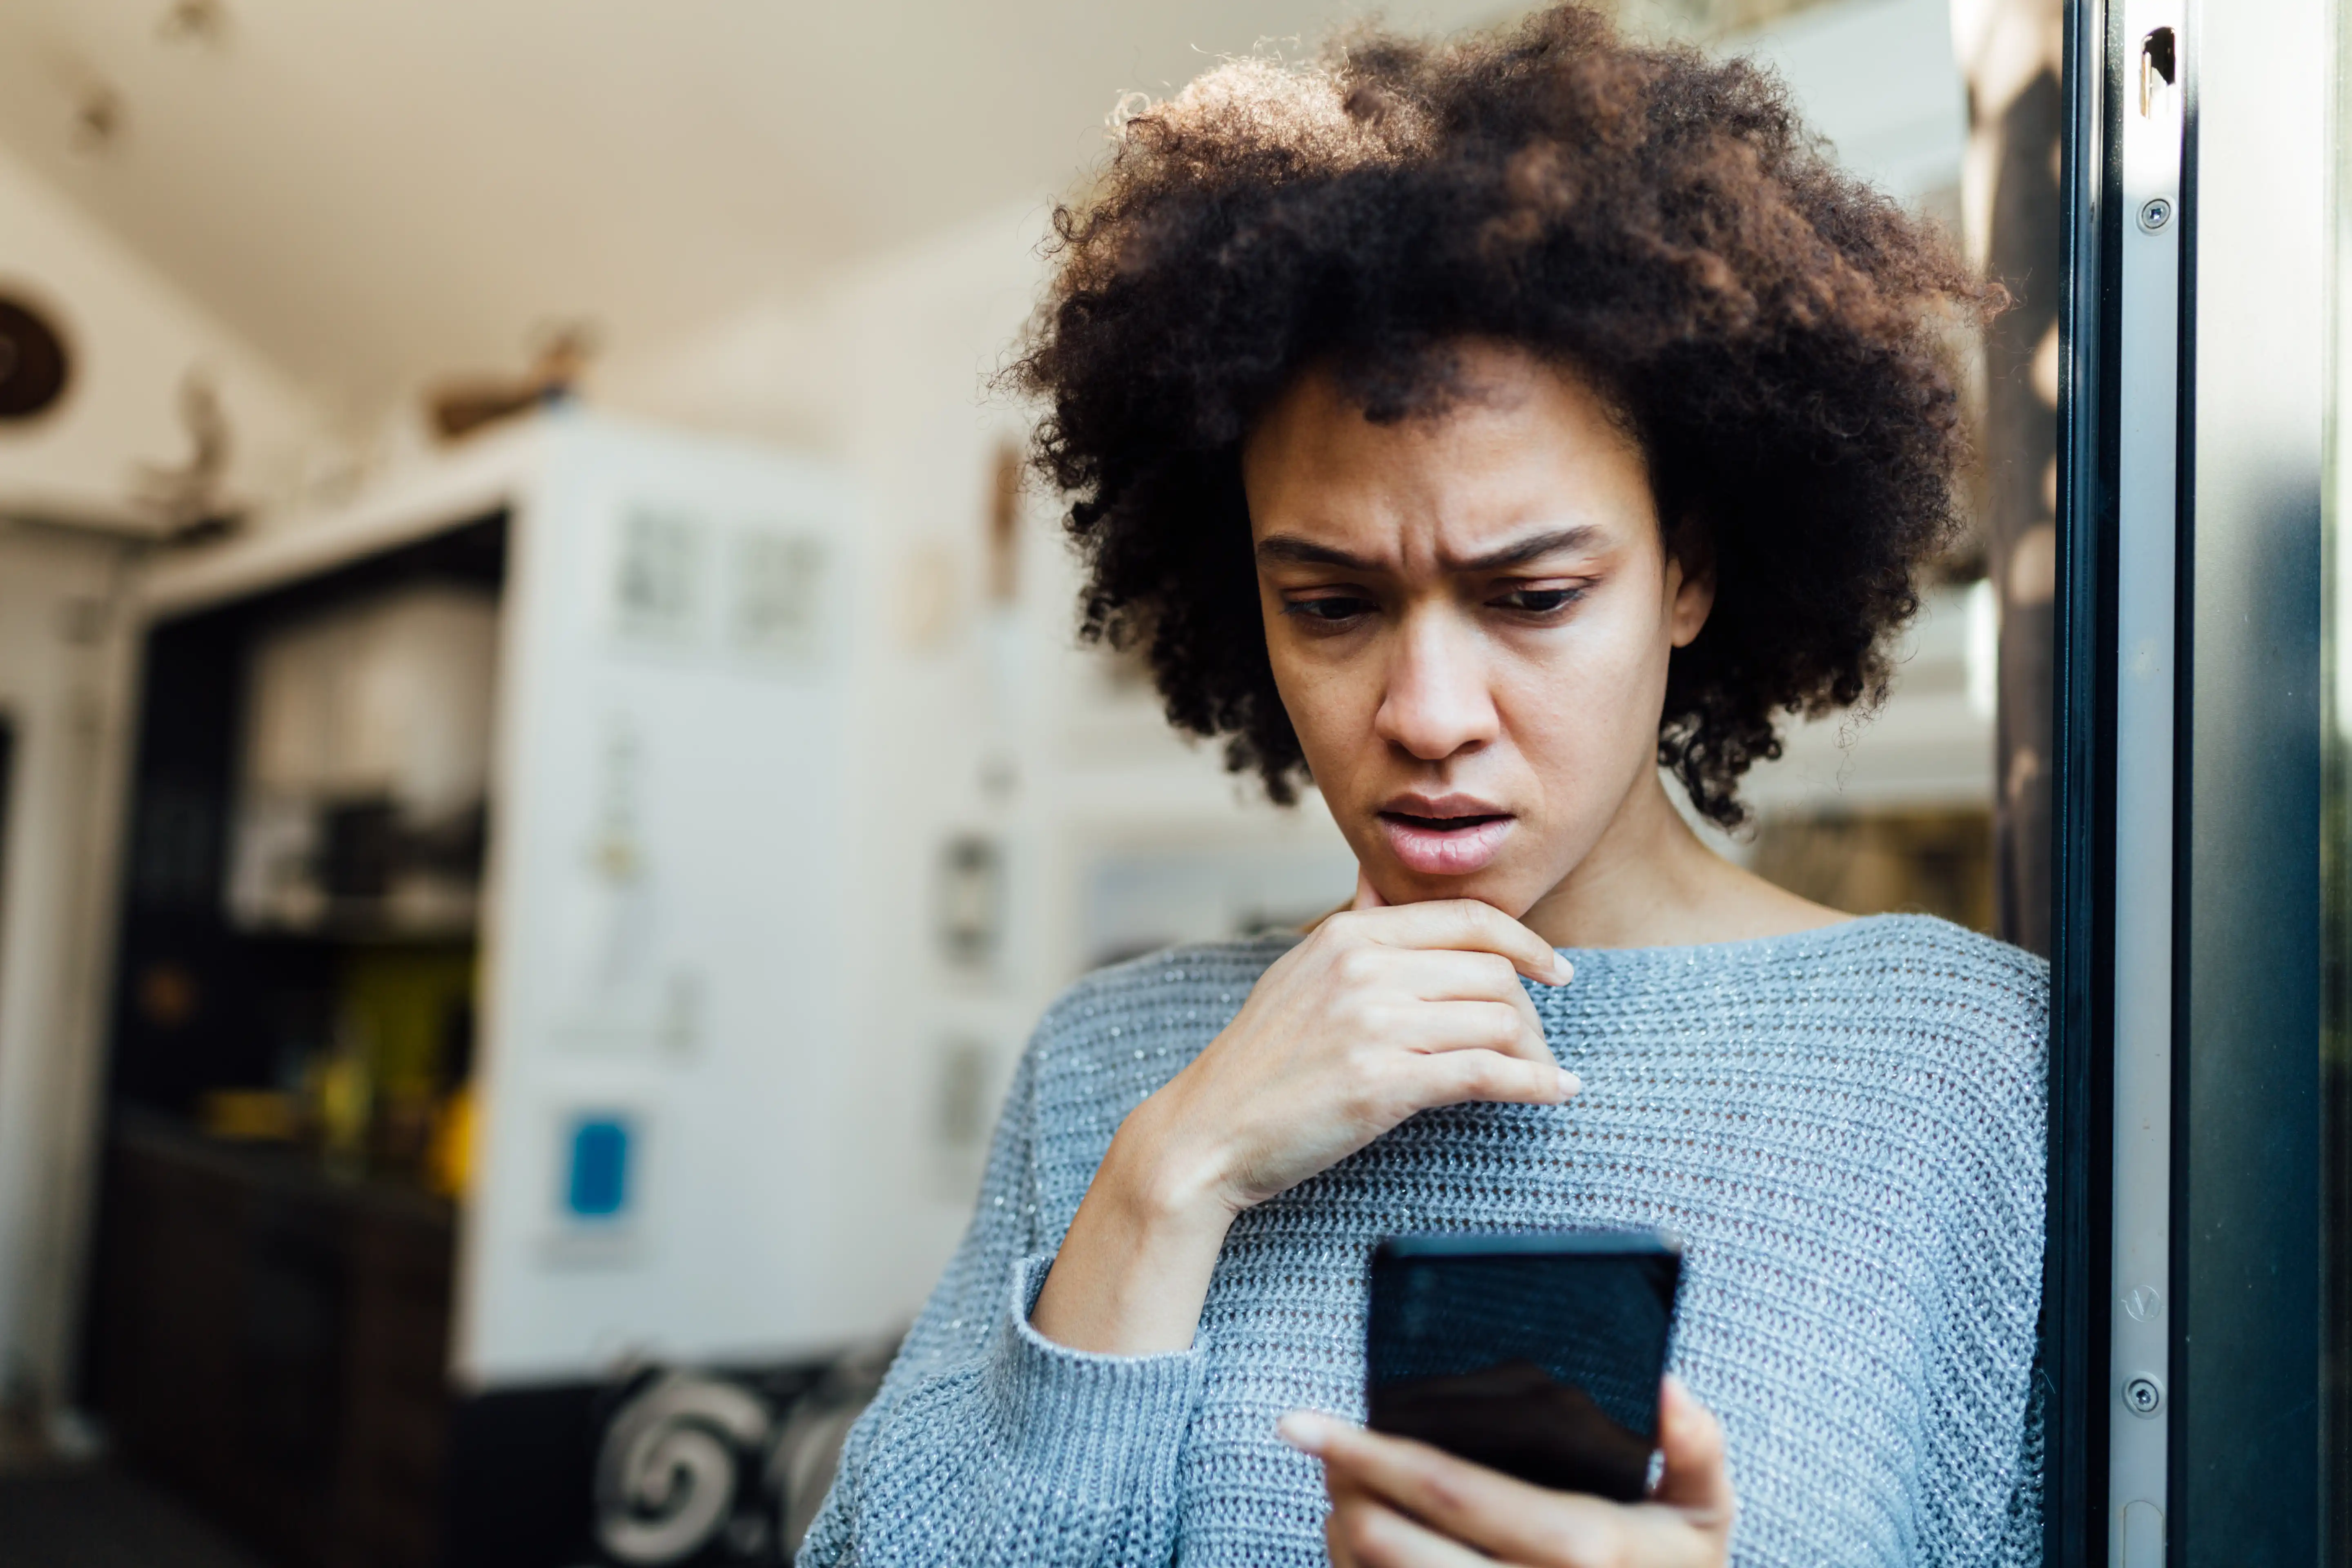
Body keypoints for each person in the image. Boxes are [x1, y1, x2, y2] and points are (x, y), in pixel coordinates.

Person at [803, 7, 2045, 1566]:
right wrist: (1169, 1180)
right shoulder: (1113, 1068)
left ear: (1691, 572)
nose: (1427, 715)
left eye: (1531, 598)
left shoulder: (1969, 1070)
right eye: (1330, 605)